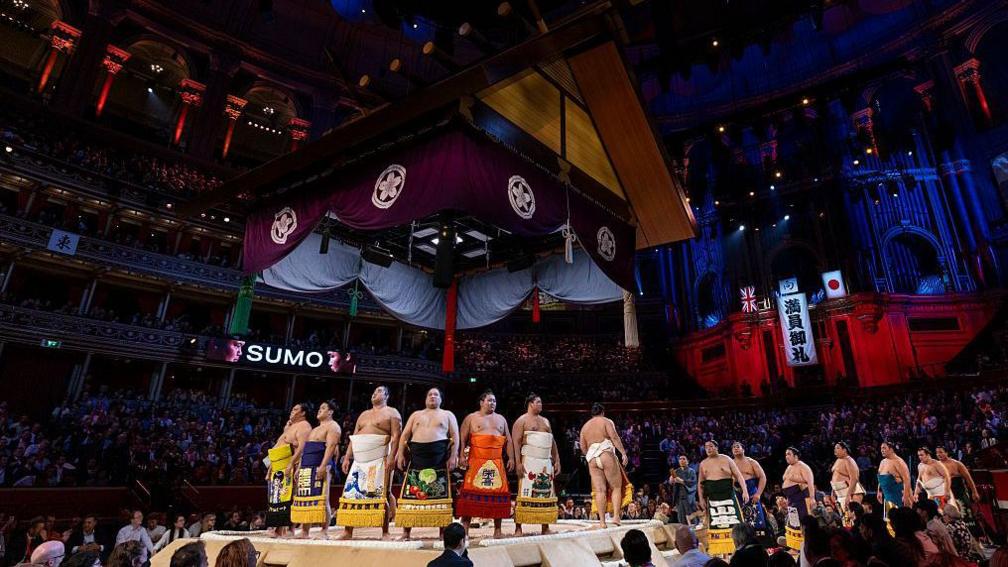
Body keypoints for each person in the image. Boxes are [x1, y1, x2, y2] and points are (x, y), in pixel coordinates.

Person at [337, 386, 402, 540]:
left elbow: (396, 436)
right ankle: (348, 531)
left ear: (386, 395)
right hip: (359, 459)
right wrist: (347, 457)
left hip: (380, 457)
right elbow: (354, 436)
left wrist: (392, 456)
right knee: (352, 494)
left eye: (379, 391)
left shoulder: (392, 413)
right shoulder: (363, 415)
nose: (374, 393)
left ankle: (385, 532)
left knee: (381, 493)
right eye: (373, 391)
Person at [396, 387, 460, 540]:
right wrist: (400, 454)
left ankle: (442, 532)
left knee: (440, 494)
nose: (432, 396)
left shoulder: (447, 415)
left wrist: (453, 456)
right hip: (416, 456)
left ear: (441, 399)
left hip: (439, 457)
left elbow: (455, 435)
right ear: (425, 398)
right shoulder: (416, 415)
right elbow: (405, 435)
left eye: (436, 394)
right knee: (411, 494)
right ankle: (406, 532)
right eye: (430, 394)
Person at [457, 389, 515, 538]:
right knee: (470, 494)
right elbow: (462, 438)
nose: (492, 403)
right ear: (481, 402)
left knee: (498, 494)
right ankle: (465, 530)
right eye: (489, 400)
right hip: (476, 460)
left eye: (494, 401)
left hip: (496, 461)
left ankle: (497, 530)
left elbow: (508, 440)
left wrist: (512, 458)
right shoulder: (471, 418)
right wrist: (461, 455)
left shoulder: (501, 419)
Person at [291, 400, 341, 539]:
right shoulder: (314, 429)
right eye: (320, 408)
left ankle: (324, 531)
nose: (320, 410)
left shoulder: (333, 427)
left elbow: (331, 447)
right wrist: (299, 468)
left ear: (330, 412)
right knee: (306, 497)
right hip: (307, 464)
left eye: (323, 408)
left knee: (323, 497)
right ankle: (305, 531)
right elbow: (305, 450)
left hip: (321, 463)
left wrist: (323, 465)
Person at [512, 393, 560, 535]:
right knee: (524, 493)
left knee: (545, 493)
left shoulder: (545, 421)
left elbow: (552, 441)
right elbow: (516, 443)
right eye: (538, 402)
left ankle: (545, 527)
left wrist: (557, 460)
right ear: (530, 403)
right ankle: (518, 527)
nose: (541, 404)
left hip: (545, 462)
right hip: (529, 461)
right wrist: (518, 462)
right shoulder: (521, 421)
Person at [579, 403, 632, 529]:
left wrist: (590, 455)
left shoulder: (585, 427)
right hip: (606, 454)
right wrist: (623, 453)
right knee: (616, 487)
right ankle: (616, 517)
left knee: (599, 490)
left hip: (592, 458)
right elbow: (614, 436)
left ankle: (602, 522)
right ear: (602, 412)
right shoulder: (606, 421)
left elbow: (582, 446)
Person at [265, 402, 312, 536]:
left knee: (287, 496)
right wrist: (270, 468)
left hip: (289, 465)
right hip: (277, 465)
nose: (292, 411)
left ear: (303, 413)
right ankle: (278, 527)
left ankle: (284, 528)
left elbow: (302, 447)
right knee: (276, 497)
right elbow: (279, 445)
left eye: (295, 409)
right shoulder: (291, 427)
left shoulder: (304, 426)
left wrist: (292, 464)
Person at [697, 441, 747, 556]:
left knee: (735, 524)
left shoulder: (726, 459)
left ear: (716, 447)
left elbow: (739, 475)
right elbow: (700, 484)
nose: (708, 449)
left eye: (711, 446)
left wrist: (745, 491)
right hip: (713, 499)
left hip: (728, 495)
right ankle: (721, 554)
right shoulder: (703, 464)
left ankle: (740, 550)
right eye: (706, 447)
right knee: (717, 526)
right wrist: (701, 499)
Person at [936, 446, 980, 533]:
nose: (939, 454)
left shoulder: (957, 464)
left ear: (947, 453)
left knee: (967, 514)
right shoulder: (936, 466)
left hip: (960, 492)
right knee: (948, 517)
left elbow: (968, 478)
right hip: (945, 495)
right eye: (937, 452)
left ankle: (976, 539)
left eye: (941, 452)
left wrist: (974, 492)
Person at [731, 442, 768, 537]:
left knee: (757, 522)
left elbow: (763, 477)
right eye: (733, 447)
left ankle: (761, 545)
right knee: (741, 524)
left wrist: (758, 493)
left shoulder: (751, 462)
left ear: (743, 449)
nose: (735, 448)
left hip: (752, 492)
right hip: (737, 495)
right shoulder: (730, 464)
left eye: (737, 446)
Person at [781, 447, 814, 551]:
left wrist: (812, 498)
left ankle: (807, 546)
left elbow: (810, 483)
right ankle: (795, 547)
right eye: (786, 454)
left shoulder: (803, 467)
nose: (786, 456)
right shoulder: (789, 468)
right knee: (794, 523)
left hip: (802, 498)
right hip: (792, 499)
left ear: (796, 456)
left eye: (789, 454)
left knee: (803, 523)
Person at [877, 441, 913, 521]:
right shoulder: (882, 462)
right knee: (889, 523)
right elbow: (881, 477)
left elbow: (907, 480)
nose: (882, 450)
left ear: (891, 449)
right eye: (881, 448)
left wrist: (906, 497)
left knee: (899, 521)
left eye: (884, 448)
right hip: (887, 497)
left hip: (898, 496)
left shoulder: (899, 462)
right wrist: (879, 491)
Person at [830, 442, 863, 526]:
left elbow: (854, 478)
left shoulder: (849, 460)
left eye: (837, 448)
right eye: (834, 448)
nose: (835, 450)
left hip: (851, 492)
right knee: (845, 519)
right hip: (840, 493)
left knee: (853, 518)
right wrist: (833, 491)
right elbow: (835, 477)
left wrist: (849, 495)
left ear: (844, 450)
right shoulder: (838, 460)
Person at [671, 456, 698, 526]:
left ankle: (694, 534)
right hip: (679, 497)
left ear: (687, 461)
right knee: (681, 518)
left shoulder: (692, 471)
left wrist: (682, 481)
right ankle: (684, 533)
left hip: (688, 497)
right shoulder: (676, 471)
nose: (682, 460)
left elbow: (693, 482)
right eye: (680, 459)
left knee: (691, 517)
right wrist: (671, 480)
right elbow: (671, 482)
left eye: (684, 459)